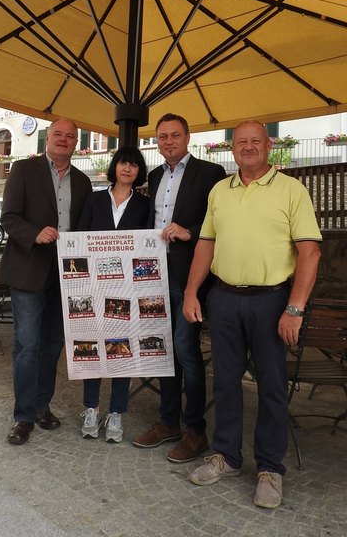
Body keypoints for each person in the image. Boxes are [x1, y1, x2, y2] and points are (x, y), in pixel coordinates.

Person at [183, 120, 322, 509]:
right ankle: (226, 455)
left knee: (272, 387)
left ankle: (269, 468)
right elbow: (205, 246)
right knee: (225, 381)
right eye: (240, 142)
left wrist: (295, 308)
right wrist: (192, 291)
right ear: (232, 149)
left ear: (268, 145)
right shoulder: (219, 191)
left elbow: (310, 252)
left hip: (272, 301)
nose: (247, 147)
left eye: (254, 141)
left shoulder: (291, 190)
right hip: (223, 299)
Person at [132, 113, 226, 462]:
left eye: (174, 135)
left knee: (186, 351)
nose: (168, 141)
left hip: (190, 275)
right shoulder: (154, 176)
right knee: (162, 350)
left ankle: (195, 430)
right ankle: (168, 422)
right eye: (162, 137)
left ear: (188, 138)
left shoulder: (210, 173)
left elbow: (220, 218)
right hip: (153, 275)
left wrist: (190, 230)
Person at [0, 118, 92, 445]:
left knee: (53, 344)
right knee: (27, 344)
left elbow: (84, 227)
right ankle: (23, 417)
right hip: (28, 269)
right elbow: (8, 217)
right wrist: (34, 233)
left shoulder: (82, 181)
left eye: (70, 136)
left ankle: (41, 406)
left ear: (75, 143)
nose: (64, 139)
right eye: (58, 134)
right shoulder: (24, 170)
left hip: (66, 274)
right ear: (47, 138)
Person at [76, 146, 149, 443]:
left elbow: (147, 246)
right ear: (114, 167)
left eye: (133, 165)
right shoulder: (94, 199)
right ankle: (90, 408)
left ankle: (116, 412)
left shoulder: (145, 205)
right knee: (91, 348)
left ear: (138, 171)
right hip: (94, 286)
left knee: (122, 349)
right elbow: (79, 238)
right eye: (123, 163)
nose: (127, 168)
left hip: (127, 288)